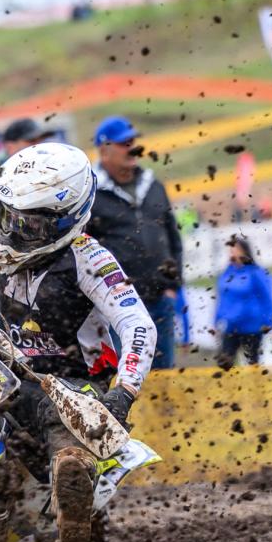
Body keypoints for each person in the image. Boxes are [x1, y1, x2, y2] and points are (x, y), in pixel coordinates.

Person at [0, 143, 157, 542]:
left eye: (27, 224)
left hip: (74, 385)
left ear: (64, 221)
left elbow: (138, 325)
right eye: (6, 214)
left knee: (59, 417)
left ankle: (73, 481)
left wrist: (124, 392)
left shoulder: (90, 259)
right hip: (9, 371)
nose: (12, 231)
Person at [86, 115, 184, 368]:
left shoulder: (154, 185)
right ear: (104, 150)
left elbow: (173, 237)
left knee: (164, 374)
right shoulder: (90, 193)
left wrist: (172, 285)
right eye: (124, 143)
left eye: (133, 142)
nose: (132, 148)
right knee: (126, 373)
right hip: (117, 304)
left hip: (160, 298)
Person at [214, 235, 272, 366]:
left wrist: (269, 322)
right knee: (224, 363)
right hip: (231, 327)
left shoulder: (256, 273)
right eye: (230, 250)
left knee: (253, 364)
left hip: (252, 327)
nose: (232, 253)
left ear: (244, 251)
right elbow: (222, 299)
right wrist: (216, 320)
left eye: (235, 249)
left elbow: (266, 298)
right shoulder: (226, 273)